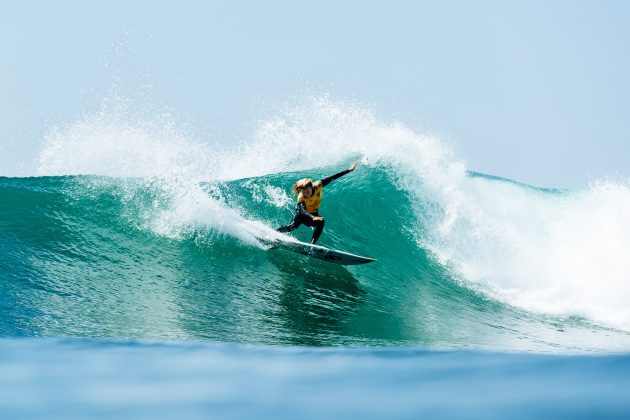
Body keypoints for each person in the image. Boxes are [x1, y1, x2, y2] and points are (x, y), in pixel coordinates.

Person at [277, 162, 358, 244]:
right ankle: (275, 233)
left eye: (307, 192)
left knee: (321, 221)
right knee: (292, 227)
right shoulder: (301, 197)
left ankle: (312, 245)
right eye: (303, 192)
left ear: (311, 186)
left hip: (313, 213)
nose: (306, 194)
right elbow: (302, 210)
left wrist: (349, 170)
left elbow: (333, 177)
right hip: (302, 215)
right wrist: (312, 217)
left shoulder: (318, 185)